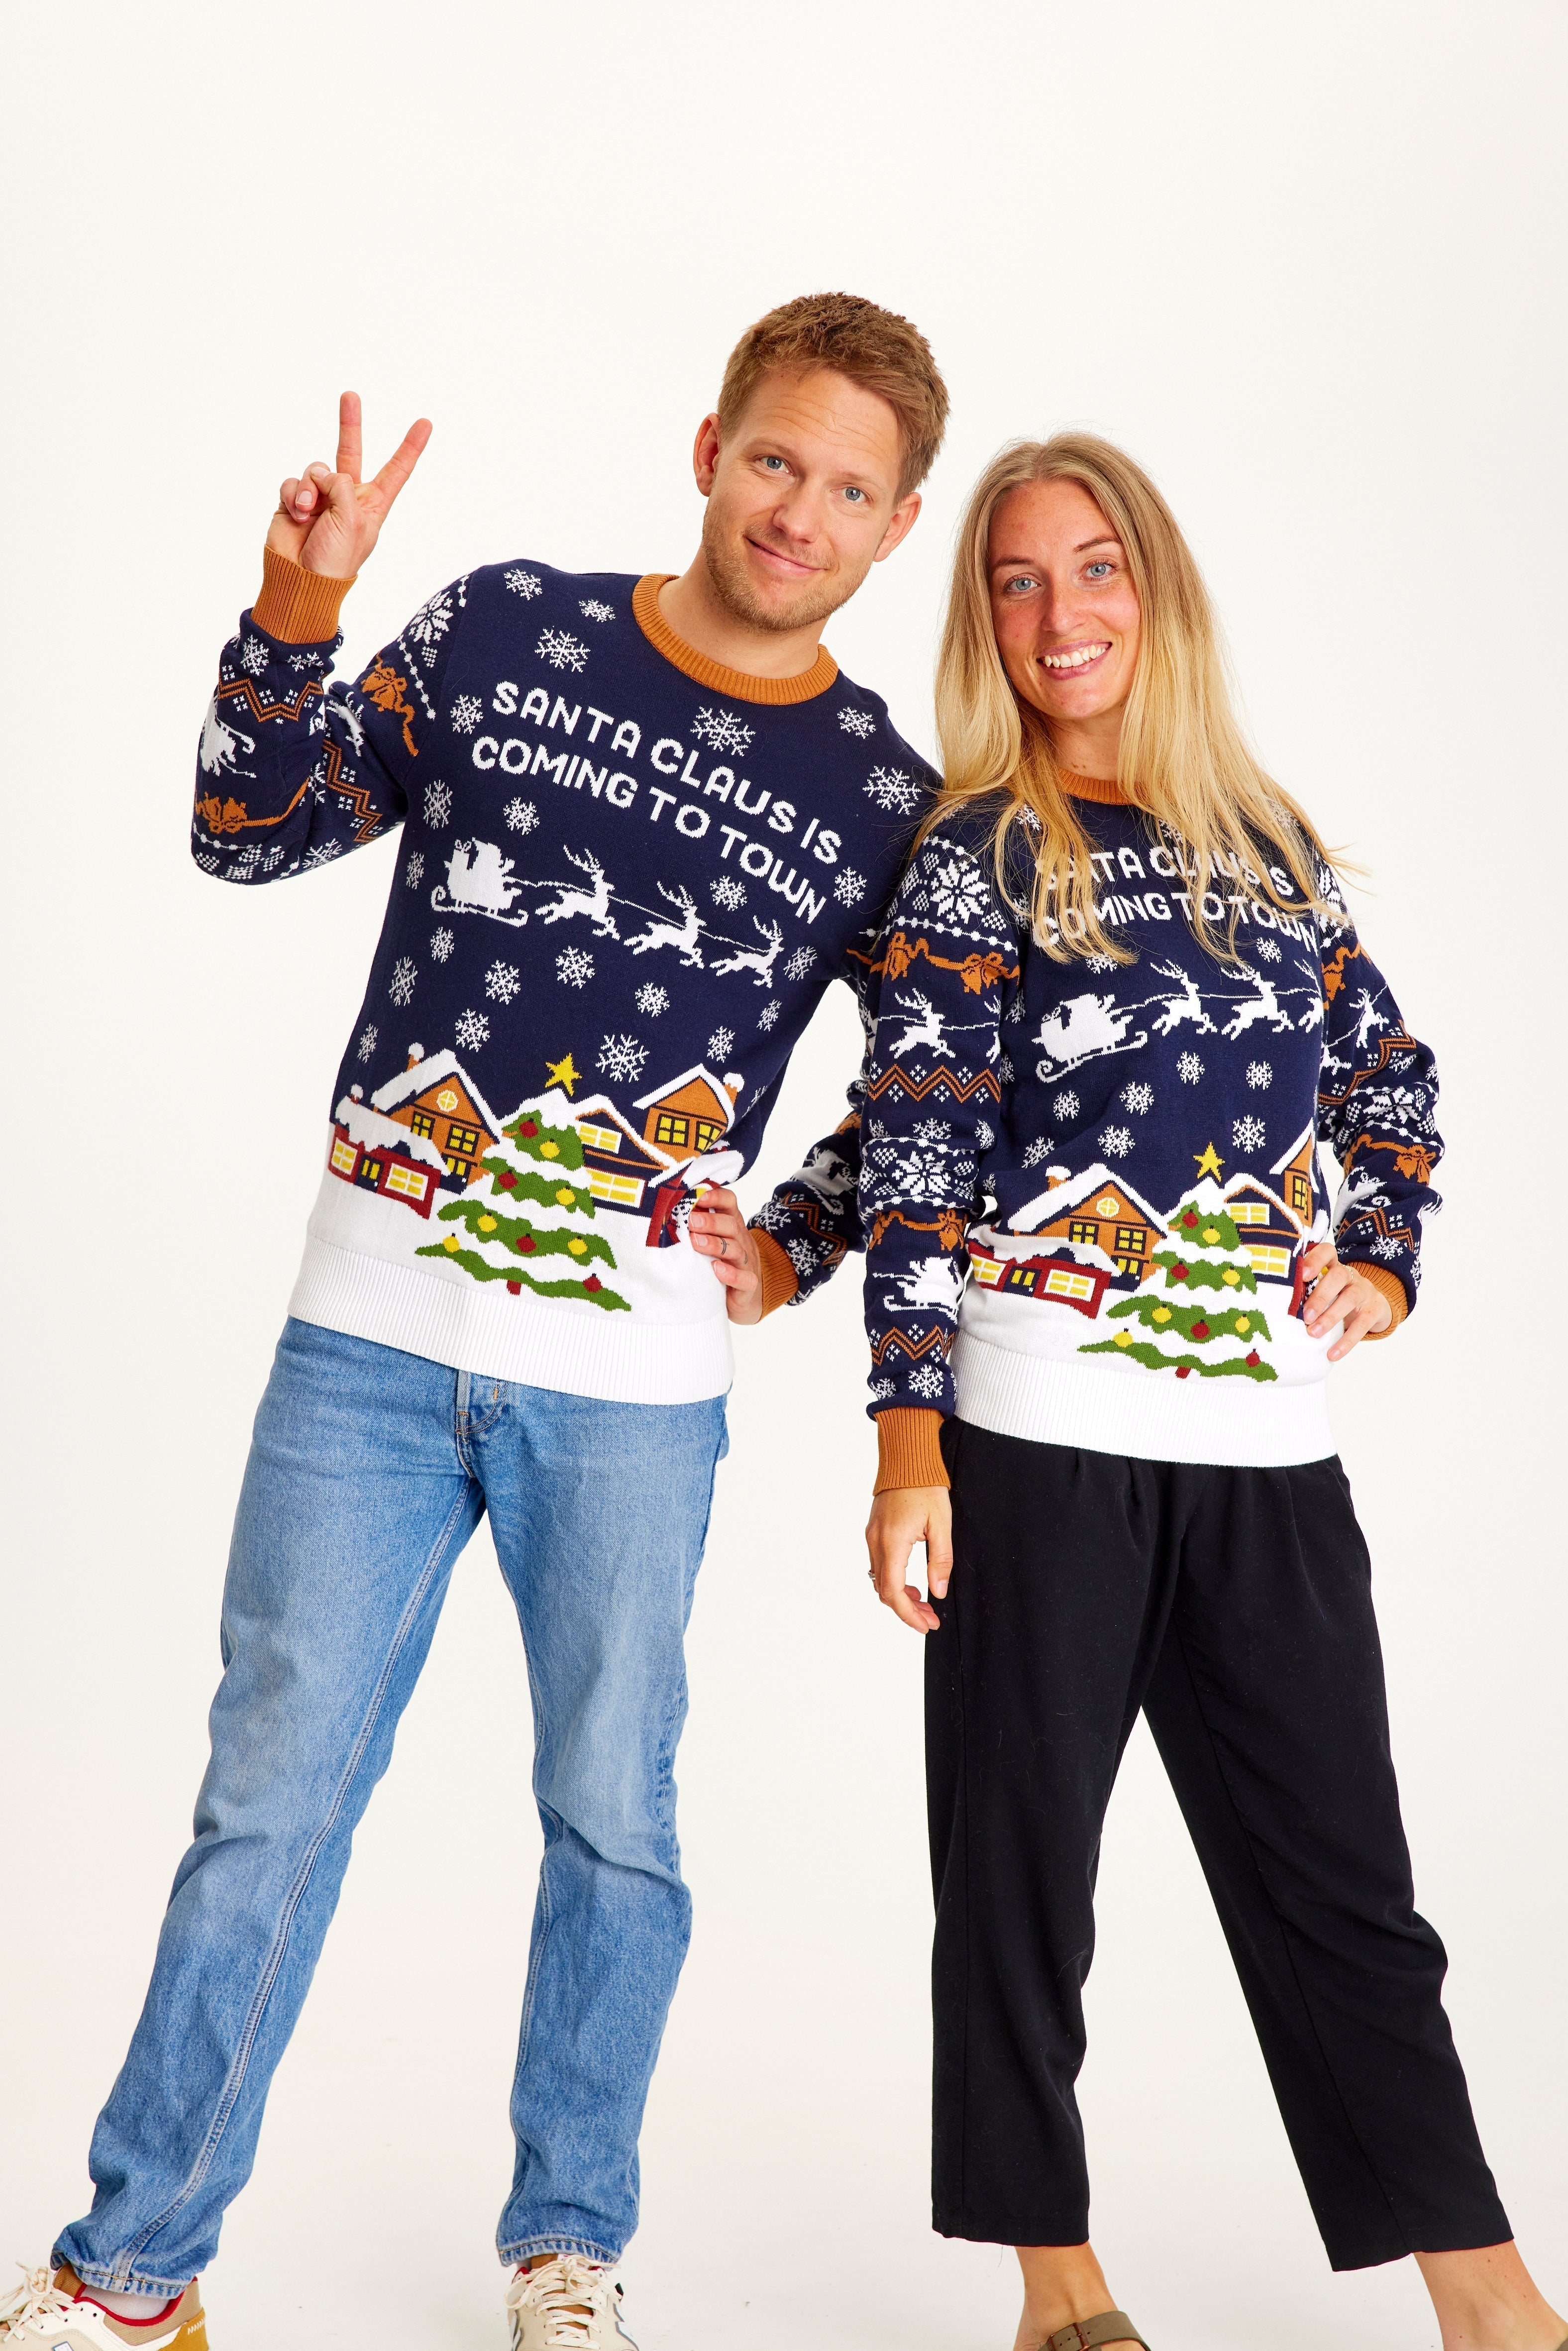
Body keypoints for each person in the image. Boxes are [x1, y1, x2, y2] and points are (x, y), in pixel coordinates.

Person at [7, 294, 946, 2351]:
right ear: (708, 446)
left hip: (631, 1398)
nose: (799, 508)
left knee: (615, 1816)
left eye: (851, 488)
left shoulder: (886, 791)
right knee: (269, 1801)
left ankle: (568, 2245)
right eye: (776, 457)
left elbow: (944, 1086)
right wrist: (295, 601)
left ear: (894, 530)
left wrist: (790, 1239)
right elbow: (246, 829)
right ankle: (134, 2270)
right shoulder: (505, 629)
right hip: (360, 1349)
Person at [814, 432, 1560, 2351]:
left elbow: (1391, 1080)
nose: (1060, 614)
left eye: (1095, 568)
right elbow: (918, 1141)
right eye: (1014, 579)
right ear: (983, 618)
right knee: (1019, 1885)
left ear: (1158, 590)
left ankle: (1488, 2296)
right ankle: (1054, 2282)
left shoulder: (1271, 848)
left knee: (1348, 1894)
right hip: (1036, 1440)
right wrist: (911, 1441)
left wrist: (1381, 1255)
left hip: (1267, 1463)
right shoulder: (976, 855)